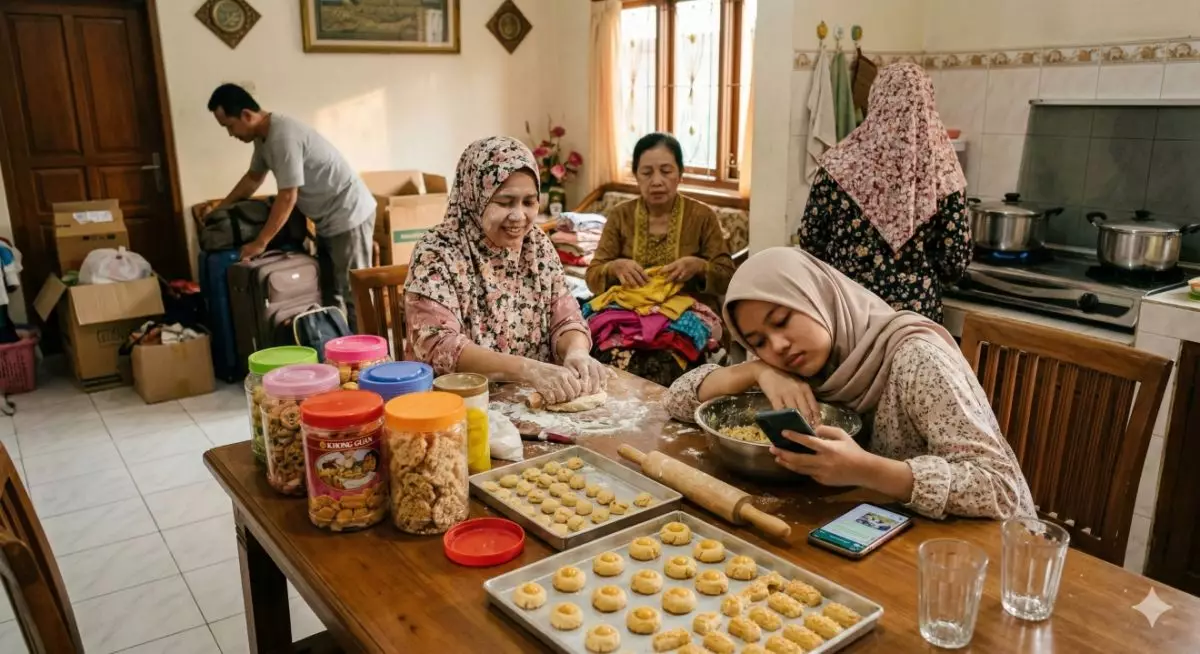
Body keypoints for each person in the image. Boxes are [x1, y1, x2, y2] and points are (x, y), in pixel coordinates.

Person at [664, 247, 1035, 521]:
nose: (777, 345)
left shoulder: (915, 358)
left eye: (782, 320)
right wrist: (756, 371)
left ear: (819, 299)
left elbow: (999, 488)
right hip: (882, 532)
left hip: (987, 559)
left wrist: (867, 470)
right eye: (757, 342)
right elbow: (677, 400)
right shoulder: (792, 367)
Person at [404, 136, 610, 405]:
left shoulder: (536, 245)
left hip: (531, 401)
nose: (519, 216)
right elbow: (437, 345)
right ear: (474, 196)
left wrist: (576, 351)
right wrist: (528, 369)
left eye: (529, 202)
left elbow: (565, 317)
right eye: (504, 202)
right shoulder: (437, 252)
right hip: (458, 407)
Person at [799, 63, 971, 323]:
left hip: (848, 312)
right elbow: (954, 259)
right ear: (928, 103)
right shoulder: (942, 173)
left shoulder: (838, 165)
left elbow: (811, 241)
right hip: (913, 321)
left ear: (875, 99)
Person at [205, 83, 374, 329]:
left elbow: (287, 196)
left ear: (246, 115)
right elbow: (253, 178)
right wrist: (220, 209)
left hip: (349, 214)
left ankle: (369, 360)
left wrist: (260, 243)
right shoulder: (263, 139)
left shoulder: (283, 136)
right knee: (330, 293)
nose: (231, 134)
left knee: (352, 294)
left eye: (229, 126)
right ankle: (339, 353)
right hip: (326, 219)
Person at [585, 132, 735, 386]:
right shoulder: (621, 216)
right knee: (600, 355)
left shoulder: (702, 216)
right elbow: (593, 274)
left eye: (666, 171)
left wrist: (699, 267)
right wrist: (615, 267)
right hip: (628, 318)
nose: (657, 181)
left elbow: (727, 275)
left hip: (686, 319)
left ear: (680, 174)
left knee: (669, 362)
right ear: (636, 176)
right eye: (647, 172)